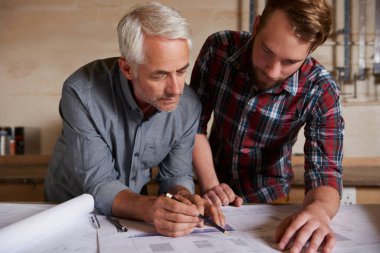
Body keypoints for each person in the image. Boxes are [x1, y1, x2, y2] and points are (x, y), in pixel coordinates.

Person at [44, 2, 224, 237]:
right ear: (127, 69)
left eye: (181, 71)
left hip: (132, 212)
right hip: (66, 209)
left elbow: (174, 176)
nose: (176, 89)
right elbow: (98, 184)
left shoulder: (188, 105)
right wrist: (150, 209)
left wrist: (183, 199)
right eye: (160, 75)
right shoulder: (81, 93)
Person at [190, 0, 344, 252]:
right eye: (267, 51)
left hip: (270, 197)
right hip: (210, 183)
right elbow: (192, 127)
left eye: (290, 61)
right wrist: (211, 185)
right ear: (257, 24)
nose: (273, 71)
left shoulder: (322, 89)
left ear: (310, 50)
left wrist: (319, 211)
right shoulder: (218, 48)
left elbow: (325, 172)